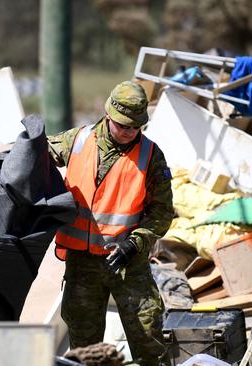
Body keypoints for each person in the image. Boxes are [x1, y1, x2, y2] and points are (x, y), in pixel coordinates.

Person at [48, 80, 174, 366]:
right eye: (123, 126)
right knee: (84, 348)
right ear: (108, 116)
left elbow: (162, 211)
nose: (130, 132)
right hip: (82, 265)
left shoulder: (151, 156)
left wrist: (137, 242)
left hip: (128, 262)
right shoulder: (77, 141)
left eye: (135, 127)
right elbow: (39, 155)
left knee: (148, 334)